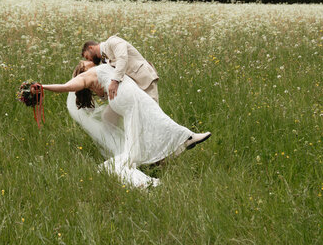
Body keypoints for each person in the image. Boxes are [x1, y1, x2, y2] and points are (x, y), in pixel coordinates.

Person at [42, 60, 211, 188]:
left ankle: (175, 145)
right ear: (81, 72)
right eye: (88, 66)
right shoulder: (86, 77)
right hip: (124, 98)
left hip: (123, 98)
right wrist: (42, 86)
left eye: (91, 64)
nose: (92, 66)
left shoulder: (103, 70)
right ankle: (183, 139)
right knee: (150, 119)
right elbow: (65, 87)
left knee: (145, 125)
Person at [82, 36, 159, 102]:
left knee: (153, 113)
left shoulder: (113, 41)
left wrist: (115, 81)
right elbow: (111, 92)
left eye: (87, 57)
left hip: (144, 79)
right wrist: (101, 94)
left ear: (91, 48)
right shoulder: (104, 63)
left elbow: (122, 58)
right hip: (133, 88)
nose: (89, 60)